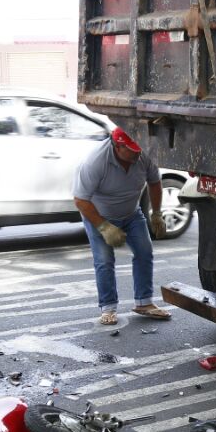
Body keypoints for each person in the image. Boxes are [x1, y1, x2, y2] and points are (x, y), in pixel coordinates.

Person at [74, 127, 170, 325]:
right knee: (104, 260)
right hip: (99, 216)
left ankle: (144, 302)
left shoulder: (143, 155)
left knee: (144, 252)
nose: (137, 153)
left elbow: (154, 182)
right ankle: (108, 308)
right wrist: (104, 227)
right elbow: (80, 200)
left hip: (132, 213)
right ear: (117, 147)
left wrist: (157, 214)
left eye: (138, 149)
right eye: (132, 150)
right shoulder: (95, 162)